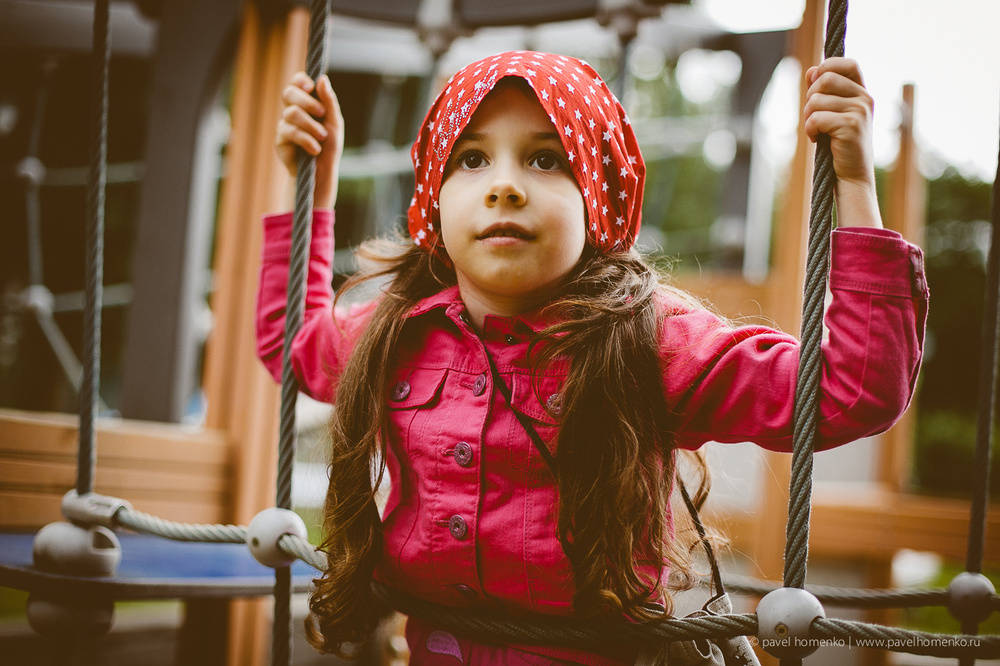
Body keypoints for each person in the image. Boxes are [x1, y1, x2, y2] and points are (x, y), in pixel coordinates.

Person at [257, 51, 927, 665]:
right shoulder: (397, 334)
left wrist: (854, 186)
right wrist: (310, 189)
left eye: (547, 160)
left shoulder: (648, 343)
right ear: (434, 198)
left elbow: (848, 392)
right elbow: (296, 347)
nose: (505, 187)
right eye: (471, 159)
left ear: (598, 201)